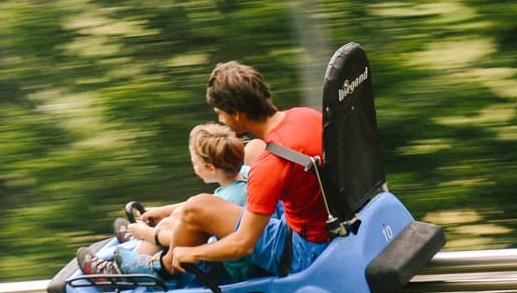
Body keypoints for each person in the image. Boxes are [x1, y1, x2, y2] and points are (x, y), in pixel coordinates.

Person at [155, 60, 332, 281]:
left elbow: (243, 244)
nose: (220, 120)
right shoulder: (305, 115)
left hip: (305, 252)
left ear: (236, 114)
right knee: (254, 149)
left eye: (220, 114)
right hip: (326, 223)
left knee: (197, 207)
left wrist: (191, 252)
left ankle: (161, 267)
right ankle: (169, 230)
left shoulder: (270, 163)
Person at [78, 123, 253, 280]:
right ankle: (140, 244)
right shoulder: (244, 176)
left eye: (195, 163)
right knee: (175, 216)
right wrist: (164, 211)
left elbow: (192, 241)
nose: (194, 167)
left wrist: (145, 233)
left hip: (229, 268)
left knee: (169, 225)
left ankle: (115, 272)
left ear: (210, 168)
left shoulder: (228, 199)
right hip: (231, 254)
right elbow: (201, 205)